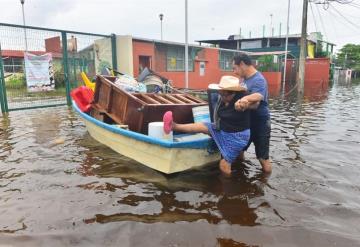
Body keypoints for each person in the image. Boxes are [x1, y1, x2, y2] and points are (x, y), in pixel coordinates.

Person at [163, 76, 250, 175]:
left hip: (236, 136)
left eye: (225, 95)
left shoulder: (242, 100)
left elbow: (258, 97)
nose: (223, 97)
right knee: (201, 126)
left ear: (234, 92)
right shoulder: (221, 100)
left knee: (224, 165)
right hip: (222, 128)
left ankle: (228, 188)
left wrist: (245, 101)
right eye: (221, 94)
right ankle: (174, 126)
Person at [232, 53, 272, 173]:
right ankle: (241, 175)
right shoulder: (244, 79)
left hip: (260, 124)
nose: (234, 72)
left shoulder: (258, 80)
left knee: (262, 157)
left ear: (242, 64)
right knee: (239, 151)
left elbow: (256, 104)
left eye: (235, 68)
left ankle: (264, 184)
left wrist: (242, 104)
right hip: (246, 123)